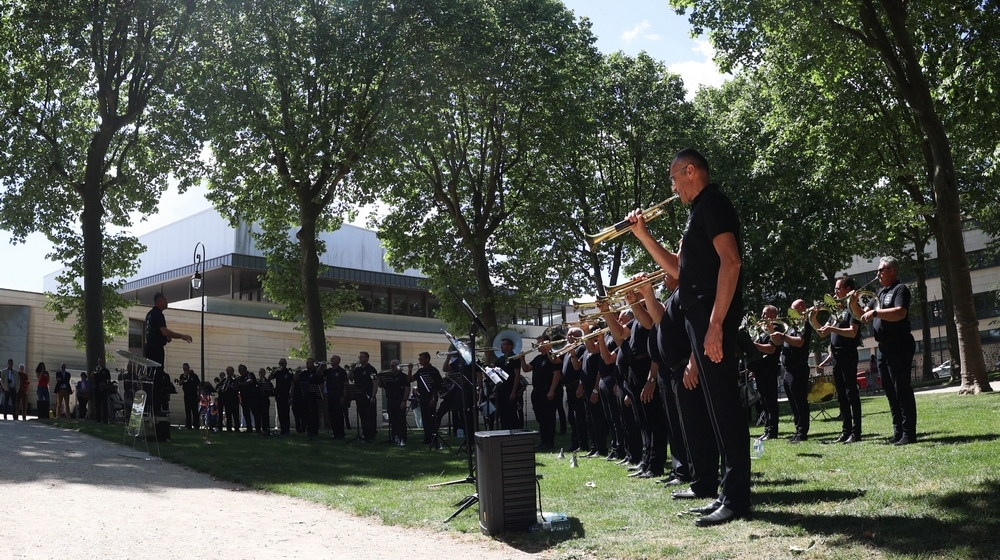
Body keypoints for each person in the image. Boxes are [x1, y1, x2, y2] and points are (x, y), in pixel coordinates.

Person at [627, 147, 749, 527]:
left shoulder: (713, 203)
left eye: (674, 178)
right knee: (716, 410)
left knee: (726, 408)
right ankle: (726, 494)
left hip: (712, 320)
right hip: (699, 321)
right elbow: (677, 270)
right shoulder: (698, 212)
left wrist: (715, 324)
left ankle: (737, 499)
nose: (672, 186)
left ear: (691, 171)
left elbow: (731, 261)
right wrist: (642, 234)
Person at [855, 256, 917, 445]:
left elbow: (900, 312)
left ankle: (908, 434)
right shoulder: (879, 294)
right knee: (890, 390)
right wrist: (852, 304)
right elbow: (862, 316)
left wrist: (875, 312)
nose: (878, 274)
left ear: (892, 271)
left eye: (881, 270)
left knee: (902, 389)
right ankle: (898, 432)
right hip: (883, 347)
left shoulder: (900, 289)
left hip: (900, 344)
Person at [818, 275, 863, 443]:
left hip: (848, 355)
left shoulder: (853, 308)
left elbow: (852, 332)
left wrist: (832, 329)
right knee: (842, 396)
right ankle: (846, 431)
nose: (835, 292)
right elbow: (822, 333)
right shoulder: (836, 311)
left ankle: (856, 432)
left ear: (848, 290)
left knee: (852, 394)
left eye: (838, 289)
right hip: (837, 357)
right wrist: (813, 319)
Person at [144, 292, 192, 414]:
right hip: (155, 349)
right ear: (159, 301)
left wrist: (164, 339)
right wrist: (181, 336)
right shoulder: (158, 314)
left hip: (149, 347)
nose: (167, 302)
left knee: (151, 376)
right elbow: (164, 331)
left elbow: (156, 333)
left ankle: (150, 406)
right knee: (157, 377)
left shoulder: (149, 314)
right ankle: (156, 408)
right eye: (165, 300)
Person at [774, 299, 812, 443]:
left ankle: (803, 433)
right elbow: (779, 342)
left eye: (794, 309)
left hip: (798, 368)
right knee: (793, 403)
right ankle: (798, 430)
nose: (791, 312)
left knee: (800, 401)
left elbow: (799, 342)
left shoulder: (804, 325)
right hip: (788, 370)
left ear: (802, 308)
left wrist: (783, 336)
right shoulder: (791, 326)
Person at [521, 336, 561, 450]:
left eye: (539, 343)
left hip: (547, 390)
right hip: (537, 391)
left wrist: (552, 391)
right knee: (541, 418)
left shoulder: (553, 357)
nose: (537, 345)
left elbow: (556, 374)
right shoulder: (538, 358)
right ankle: (544, 440)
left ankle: (549, 441)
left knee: (549, 417)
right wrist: (523, 360)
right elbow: (526, 369)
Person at [749, 306, 782, 440]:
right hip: (760, 369)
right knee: (763, 402)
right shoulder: (762, 330)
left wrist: (754, 346)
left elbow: (771, 349)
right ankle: (768, 429)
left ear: (773, 315)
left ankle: (773, 431)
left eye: (765, 314)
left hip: (769, 369)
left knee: (770, 401)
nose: (762, 317)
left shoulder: (776, 329)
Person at [410, 352, 441, 445]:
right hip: (422, 397)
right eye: (419, 359)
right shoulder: (420, 371)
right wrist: (409, 370)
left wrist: (433, 398)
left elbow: (437, 386)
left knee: (431, 417)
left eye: (421, 359)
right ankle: (427, 437)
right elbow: (410, 379)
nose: (419, 361)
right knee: (424, 418)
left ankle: (433, 437)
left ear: (427, 359)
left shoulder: (433, 370)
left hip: (430, 397)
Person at [492, 338, 522, 429]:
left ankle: (514, 432)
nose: (501, 346)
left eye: (504, 344)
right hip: (501, 388)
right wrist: (487, 354)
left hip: (510, 388)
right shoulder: (501, 359)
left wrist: (513, 392)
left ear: (510, 346)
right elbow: (491, 367)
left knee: (511, 413)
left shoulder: (514, 358)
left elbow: (517, 375)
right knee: (502, 412)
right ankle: (504, 431)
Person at [349, 352, 379, 442]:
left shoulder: (371, 369)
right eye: (359, 357)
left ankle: (371, 435)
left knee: (370, 416)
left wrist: (373, 396)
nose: (360, 359)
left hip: (369, 396)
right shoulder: (357, 370)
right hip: (359, 396)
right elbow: (349, 377)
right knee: (362, 416)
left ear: (367, 358)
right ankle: (365, 434)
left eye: (362, 357)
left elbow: (375, 383)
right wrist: (351, 369)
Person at [384, 360, 410, 446]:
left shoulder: (403, 376)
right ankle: (394, 436)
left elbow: (407, 388)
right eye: (390, 366)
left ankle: (402, 437)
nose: (391, 368)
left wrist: (404, 400)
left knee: (401, 420)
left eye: (393, 366)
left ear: (398, 366)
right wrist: (380, 377)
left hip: (399, 399)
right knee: (392, 420)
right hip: (390, 400)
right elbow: (381, 385)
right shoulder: (389, 376)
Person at [269, 358, 294, 435]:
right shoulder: (277, 372)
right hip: (278, 395)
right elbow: (269, 378)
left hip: (286, 395)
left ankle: (286, 430)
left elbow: (293, 385)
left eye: (282, 363)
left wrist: (290, 396)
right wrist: (273, 371)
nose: (280, 365)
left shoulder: (289, 372)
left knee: (286, 413)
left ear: (286, 364)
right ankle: (282, 430)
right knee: (280, 413)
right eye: (279, 363)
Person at [324, 356, 348, 439]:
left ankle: (341, 433)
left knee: (339, 415)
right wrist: (320, 365)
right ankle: (335, 433)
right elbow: (319, 374)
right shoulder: (329, 371)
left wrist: (344, 396)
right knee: (332, 414)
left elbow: (346, 384)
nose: (331, 360)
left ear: (338, 361)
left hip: (339, 395)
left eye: (333, 359)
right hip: (330, 395)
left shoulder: (341, 371)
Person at [91, 357, 112, 424]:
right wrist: (95, 372)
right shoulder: (96, 369)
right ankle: (98, 419)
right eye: (99, 361)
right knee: (97, 404)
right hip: (97, 388)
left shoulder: (106, 371)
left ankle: (105, 419)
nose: (100, 363)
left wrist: (106, 385)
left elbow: (108, 380)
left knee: (104, 404)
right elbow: (91, 375)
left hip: (103, 389)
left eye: (101, 361)